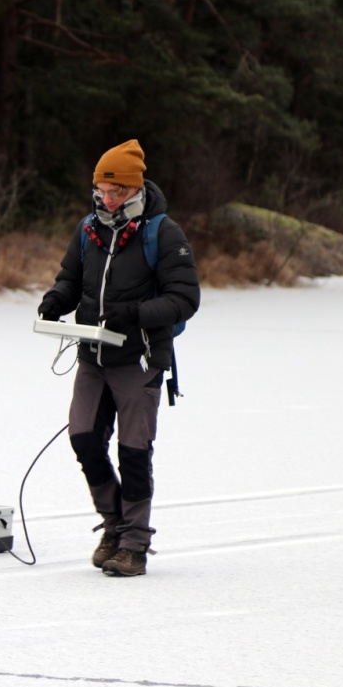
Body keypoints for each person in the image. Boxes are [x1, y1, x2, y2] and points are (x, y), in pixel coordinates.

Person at [37, 139, 199, 577]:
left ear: (134, 189)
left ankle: (134, 545)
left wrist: (136, 314)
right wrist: (56, 300)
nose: (106, 199)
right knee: (85, 438)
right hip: (92, 356)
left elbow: (185, 299)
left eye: (115, 192)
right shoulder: (88, 229)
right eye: (100, 190)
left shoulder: (163, 233)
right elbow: (71, 279)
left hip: (139, 359)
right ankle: (114, 526)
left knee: (133, 450)